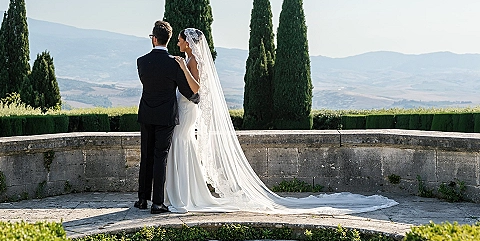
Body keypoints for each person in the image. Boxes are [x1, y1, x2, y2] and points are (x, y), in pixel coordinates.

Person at [164, 28, 398, 214]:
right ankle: (186, 192)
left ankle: (185, 194)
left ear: (189, 42)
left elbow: (197, 89)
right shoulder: (187, 58)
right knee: (184, 146)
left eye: (181, 40)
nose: (178, 43)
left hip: (186, 112)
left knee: (182, 144)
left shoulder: (192, 61)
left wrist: (183, 68)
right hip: (184, 111)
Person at [135, 21, 200, 214]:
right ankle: (157, 203)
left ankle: (141, 199)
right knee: (160, 157)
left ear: (154, 39)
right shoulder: (174, 63)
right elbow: (188, 91)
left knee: (146, 156)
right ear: (168, 39)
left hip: (146, 114)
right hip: (166, 116)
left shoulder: (141, 62)